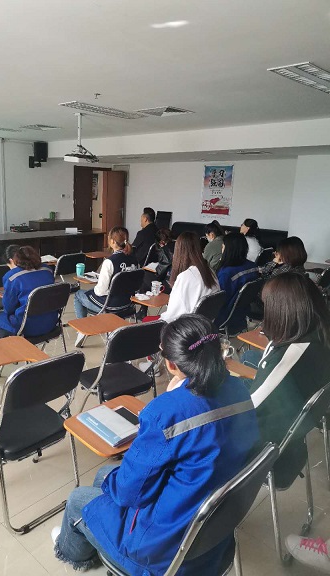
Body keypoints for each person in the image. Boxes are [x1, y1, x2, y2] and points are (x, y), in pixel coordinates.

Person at [52, 314, 259, 576]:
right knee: (105, 476)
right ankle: (99, 532)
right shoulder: (240, 389)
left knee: (77, 500)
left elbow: (128, 492)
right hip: (210, 525)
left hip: (162, 552)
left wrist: (171, 399)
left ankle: (73, 551)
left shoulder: (165, 412)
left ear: (171, 364)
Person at [246, 273, 330, 486]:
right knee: (248, 358)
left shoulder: (289, 357)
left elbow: (249, 407)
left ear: (281, 312)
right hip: (293, 424)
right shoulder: (319, 333)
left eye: (267, 306)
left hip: (266, 450)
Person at [74, 227, 137, 343]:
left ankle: (82, 329)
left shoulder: (109, 262)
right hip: (128, 304)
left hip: (110, 306)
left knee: (79, 295)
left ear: (112, 241)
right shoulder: (134, 259)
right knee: (90, 293)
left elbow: (100, 291)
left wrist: (96, 286)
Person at [0, 245, 57, 337]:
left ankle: (8, 345)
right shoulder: (47, 270)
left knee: (0, 317)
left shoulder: (12, 276)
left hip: (27, 327)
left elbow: (9, 308)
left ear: (14, 260)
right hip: (52, 322)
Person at [159, 231, 219, 323]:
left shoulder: (186, 277)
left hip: (186, 326)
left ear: (178, 251)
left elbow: (172, 316)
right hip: (205, 324)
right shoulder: (210, 271)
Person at [215, 232, 259, 332]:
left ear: (229, 250)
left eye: (223, 246)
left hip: (224, 318)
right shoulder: (253, 267)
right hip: (241, 316)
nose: (221, 248)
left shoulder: (226, 273)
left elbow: (219, 300)